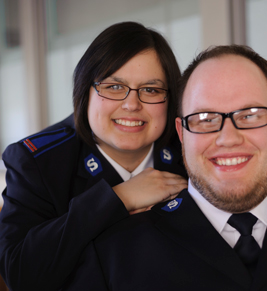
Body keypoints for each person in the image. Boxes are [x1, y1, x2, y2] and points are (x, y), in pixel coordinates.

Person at [62, 44, 267, 291]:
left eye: (250, 115)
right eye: (205, 118)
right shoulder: (115, 251)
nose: (228, 138)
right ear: (182, 134)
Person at [0, 21, 187, 291]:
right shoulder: (39, 162)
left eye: (151, 90)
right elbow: (20, 274)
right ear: (85, 92)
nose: (132, 105)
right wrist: (118, 198)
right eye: (113, 86)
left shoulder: (190, 153)